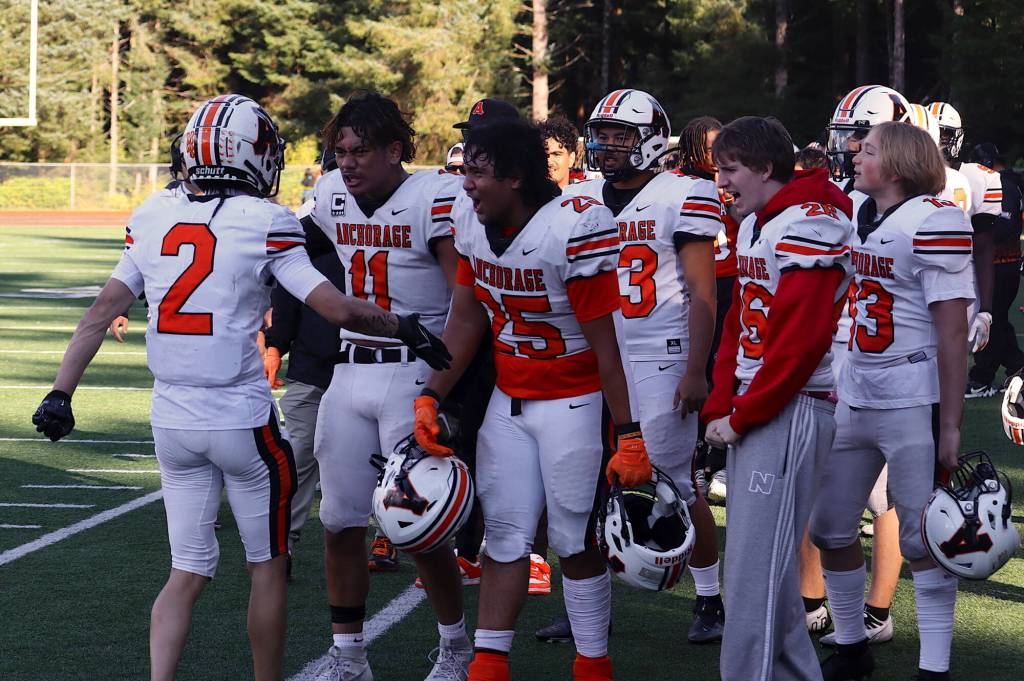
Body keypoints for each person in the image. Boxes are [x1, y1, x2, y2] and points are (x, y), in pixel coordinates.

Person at [30, 94, 450, 681]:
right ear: (252, 156)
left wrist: (60, 393)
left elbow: (101, 311)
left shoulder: (152, 213)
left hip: (171, 423)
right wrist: (402, 325)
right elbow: (333, 307)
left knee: (187, 569)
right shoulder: (266, 221)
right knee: (267, 567)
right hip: (241, 423)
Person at [415, 118, 649, 681]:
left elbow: (606, 347)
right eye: (465, 169)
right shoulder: (471, 226)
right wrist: (430, 394)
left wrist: (629, 432)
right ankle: (489, 665)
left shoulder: (573, 225)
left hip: (572, 400)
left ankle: (593, 663)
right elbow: (465, 320)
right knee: (505, 535)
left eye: (478, 171)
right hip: (508, 400)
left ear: (516, 177)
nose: (465, 183)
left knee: (571, 538)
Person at [305, 92, 471, 681]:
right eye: (341, 151)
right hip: (349, 370)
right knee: (341, 522)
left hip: (414, 369)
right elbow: (299, 257)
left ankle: (456, 647)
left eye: (361, 151)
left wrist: (443, 388)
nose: (347, 162)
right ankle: (348, 655)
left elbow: (464, 302)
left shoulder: (434, 196)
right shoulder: (328, 195)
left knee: (420, 527)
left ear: (396, 149)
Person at [810, 121, 972, 681]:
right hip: (857, 391)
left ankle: (935, 667)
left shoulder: (937, 219)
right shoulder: (858, 210)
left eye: (869, 148)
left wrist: (948, 422)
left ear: (899, 164)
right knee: (829, 527)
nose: (856, 154)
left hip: (911, 396)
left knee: (922, 537)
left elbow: (952, 331)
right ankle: (853, 647)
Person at [563, 90, 726, 645]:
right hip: (592, 359)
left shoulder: (683, 193)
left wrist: (696, 368)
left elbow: (703, 294)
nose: (606, 147)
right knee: (582, 482)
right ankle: (588, 603)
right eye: (601, 134)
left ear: (653, 139)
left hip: (660, 356)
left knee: (675, 484)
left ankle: (710, 598)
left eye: (620, 136)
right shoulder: (580, 196)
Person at [702, 115, 855, 681]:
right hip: (757, 403)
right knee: (754, 569)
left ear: (766, 168)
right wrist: (722, 403)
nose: (723, 182)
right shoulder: (756, 225)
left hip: (790, 406)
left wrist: (743, 415)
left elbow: (800, 339)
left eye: (732, 169)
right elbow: (740, 321)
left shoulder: (810, 220)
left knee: (751, 575)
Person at [263, 247, 345, 580]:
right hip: (311, 367)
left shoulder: (381, 230)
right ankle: (283, 545)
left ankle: (386, 535)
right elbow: (287, 298)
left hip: (370, 367)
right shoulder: (310, 240)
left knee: (378, 455)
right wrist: (274, 347)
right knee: (299, 454)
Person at [928, 101, 1002, 395]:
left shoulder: (978, 178)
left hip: (959, 282)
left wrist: (985, 309)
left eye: (943, 134)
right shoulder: (903, 173)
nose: (936, 141)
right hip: (914, 280)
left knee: (950, 373)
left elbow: (983, 247)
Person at [677, 115, 731, 504]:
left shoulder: (732, 178)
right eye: (710, 146)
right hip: (694, 288)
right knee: (697, 368)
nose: (716, 154)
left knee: (724, 369)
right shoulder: (680, 184)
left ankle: (720, 456)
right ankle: (695, 454)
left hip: (733, 284)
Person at [965, 143, 1024, 390]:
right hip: (996, 263)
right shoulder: (1003, 182)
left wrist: (975, 233)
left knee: (990, 320)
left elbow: (1004, 224)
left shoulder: (1004, 186)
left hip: (1002, 263)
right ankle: (1017, 366)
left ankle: (982, 376)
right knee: (997, 320)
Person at [539, 115, 581, 190]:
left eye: (556, 154)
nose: (549, 162)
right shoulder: (528, 199)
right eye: (544, 155)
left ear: (571, 158)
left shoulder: (585, 195)